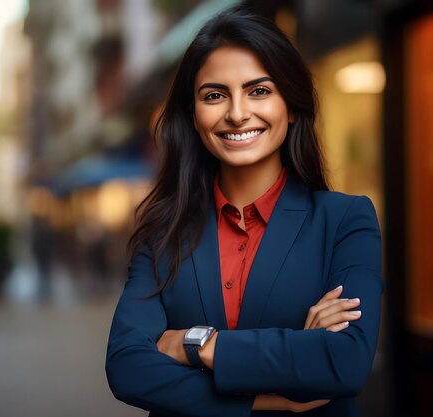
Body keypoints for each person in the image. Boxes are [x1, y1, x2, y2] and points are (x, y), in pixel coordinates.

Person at [105, 7, 382, 417]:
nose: (236, 113)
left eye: (259, 91)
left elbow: (345, 362)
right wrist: (269, 397)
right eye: (214, 95)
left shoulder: (345, 221)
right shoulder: (161, 234)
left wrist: (192, 344)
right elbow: (127, 368)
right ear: (193, 115)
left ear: (291, 105)